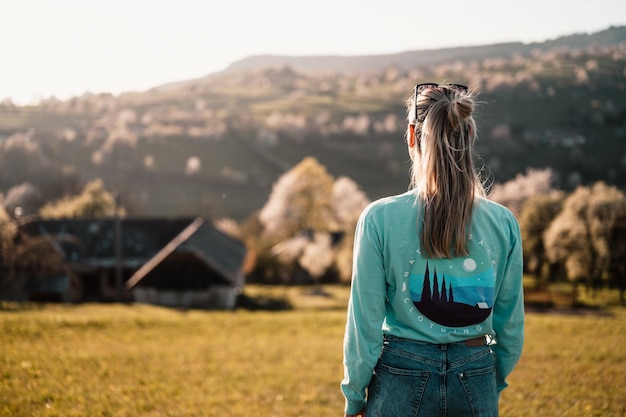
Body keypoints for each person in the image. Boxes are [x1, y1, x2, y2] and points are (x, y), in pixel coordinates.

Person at [341, 82, 524, 417]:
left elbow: (363, 326)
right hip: (477, 372)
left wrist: (354, 397)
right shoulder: (504, 223)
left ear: (412, 136)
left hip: (399, 375)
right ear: (469, 135)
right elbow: (510, 327)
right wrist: (487, 379)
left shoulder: (379, 219)